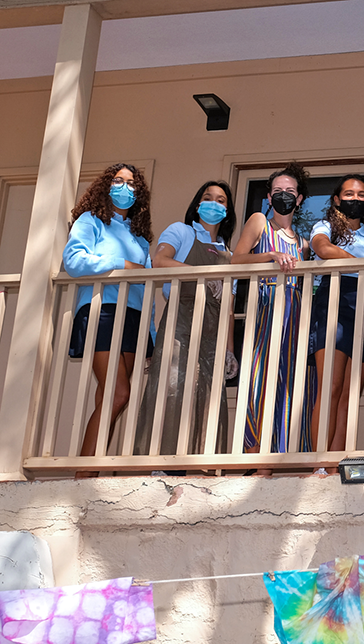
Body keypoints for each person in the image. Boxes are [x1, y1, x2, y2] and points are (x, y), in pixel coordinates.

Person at [135, 180, 237, 458]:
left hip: (213, 331)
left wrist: (229, 350)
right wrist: (203, 274)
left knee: (208, 396)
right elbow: (161, 261)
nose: (214, 203)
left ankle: (199, 466)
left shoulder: (228, 253)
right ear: (197, 204)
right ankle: (160, 463)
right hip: (182, 319)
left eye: (221, 200)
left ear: (227, 211)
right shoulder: (181, 231)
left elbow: (228, 305)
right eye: (208, 197)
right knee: (172, 388)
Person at [62, 163, 153, 475]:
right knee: (118, 392)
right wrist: (122, 265)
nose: (124, 187)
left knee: (109, 398)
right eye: (118, 180)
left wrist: (150, 336)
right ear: (106, 185)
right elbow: (74, 261)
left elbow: (149, 286)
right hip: (102, 312)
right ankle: (83, 476)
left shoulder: (140, 238)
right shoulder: (91, 221)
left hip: (133, 319)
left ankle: (91, 471)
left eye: (131, 183)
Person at [231, 162, 310, 470]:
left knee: (288, 383)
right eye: (278, 191)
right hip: (267, 308)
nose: (284, 196)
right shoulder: (260, 222)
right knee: (259, 380)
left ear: (300, 199)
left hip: (295, 314)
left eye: (290, 191)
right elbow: (237, 260)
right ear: (268, 196)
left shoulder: (302, 240)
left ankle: (275, 458)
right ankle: (254, 455)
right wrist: (270, 256)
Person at [308, 175, 364, 454]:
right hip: (334, 305)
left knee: (349, 396)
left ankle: (335, 462)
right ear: (337, 199)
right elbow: (322, 248)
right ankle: (318, 463)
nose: (355, 199)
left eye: (362, 195)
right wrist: (363, 268)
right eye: (349, 194)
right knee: (331, 388)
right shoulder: (325, 226)